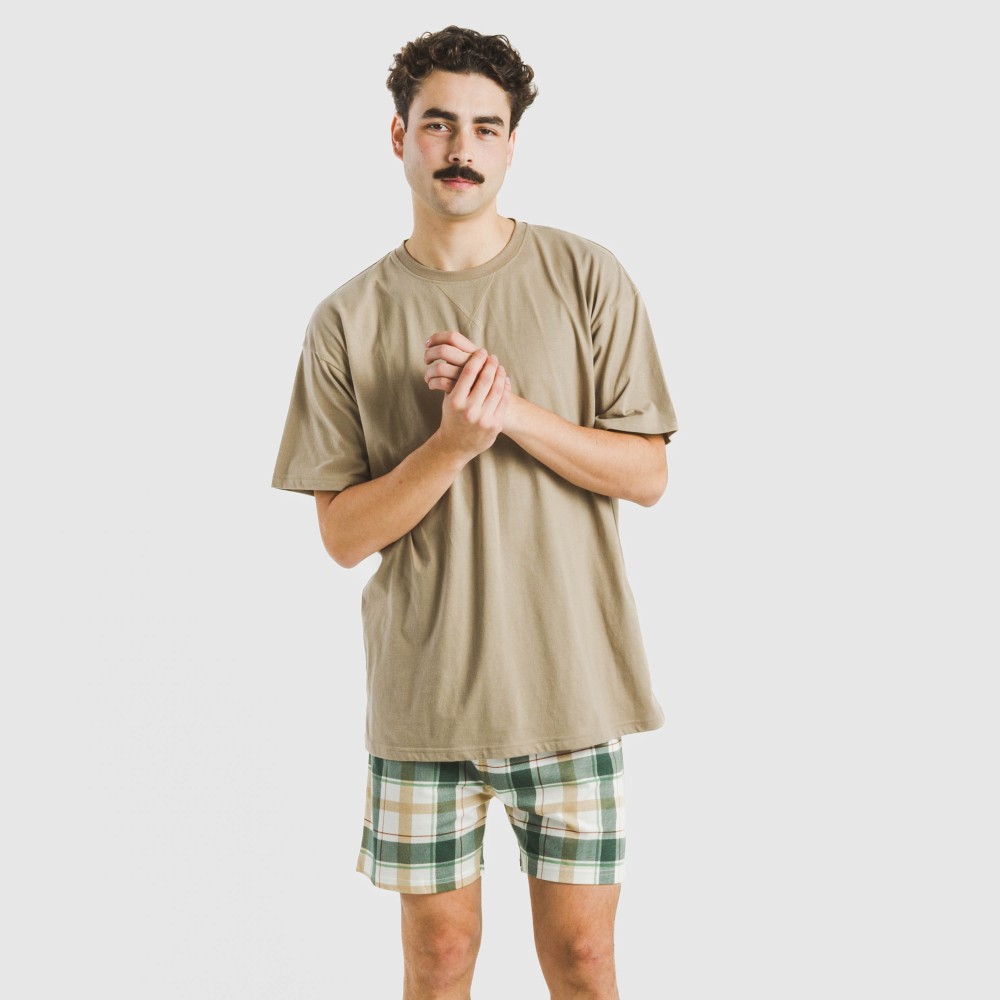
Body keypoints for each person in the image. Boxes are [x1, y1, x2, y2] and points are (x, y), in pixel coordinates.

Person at [271, 24, 678, 999]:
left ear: (511, 144)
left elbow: (647, 473)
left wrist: (514, 414)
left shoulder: (586, 276)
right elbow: (341, 535)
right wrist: (451, 443)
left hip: (572, 687)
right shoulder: (347, 318)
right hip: (427, 702)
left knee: (584, 962)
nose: (461, 147)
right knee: (439, 961)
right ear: (399, 136)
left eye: (485, 128)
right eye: (439, 124)